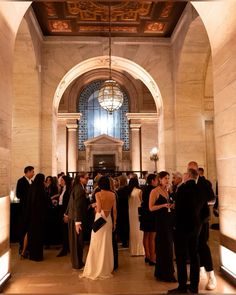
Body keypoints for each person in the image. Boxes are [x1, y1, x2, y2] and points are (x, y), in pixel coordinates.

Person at [168, 169, 205, 294]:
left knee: (181, 256)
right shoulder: (200, 188)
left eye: (184, 173)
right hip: (196, 226)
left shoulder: (183, 188)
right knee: (194, 255)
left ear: (188, 175)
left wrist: (174, 225)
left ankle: (182, 286)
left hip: (182, 227)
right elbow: (203, 210)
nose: (183, 175)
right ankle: (194, 286)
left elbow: (179, 210)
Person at [81, 176, 117, 279]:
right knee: (106, 243)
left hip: (100, 218)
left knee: (96, 242)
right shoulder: (113, 194)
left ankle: (96, 267)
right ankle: (106, 267)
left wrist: (94, 205)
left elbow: (99, 209)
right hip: (108, 219)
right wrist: (115, 222)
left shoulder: (98, 194)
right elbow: (115, 210)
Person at [188, 162, 217, 290]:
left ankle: (211, 275)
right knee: (194, 247)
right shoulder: (188, 183)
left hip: (202, 220)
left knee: (203, 246)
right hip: (192, 221)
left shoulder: (205, 183)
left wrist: (201, 202)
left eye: (192, 170)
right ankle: (199, 270)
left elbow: (212, 199)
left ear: (198, 170)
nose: (190, 172)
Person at [149, 171, 176, 282]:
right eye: (165, 178)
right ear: (159, 179)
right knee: (164, 247)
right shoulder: (154, 191)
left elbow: (169, 204)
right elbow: (151, 207)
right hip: (160, 222)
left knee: (169, 247)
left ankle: (165, 272)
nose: (167, 180)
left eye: (168, 178)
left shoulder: (167, 190)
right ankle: (164, 273)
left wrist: (171, 205)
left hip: (168, 221)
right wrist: (163, 205)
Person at [65, 172, 89, 269]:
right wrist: (78, 222)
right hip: (76, 219)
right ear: (80, 179)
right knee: (76, 243)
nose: (88, 180)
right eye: (86, 178)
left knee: (78, 243)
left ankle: (78, 262)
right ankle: (77, 264)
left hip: (74, 217)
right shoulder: (79, 188)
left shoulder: (78, 187)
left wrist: (66, 213)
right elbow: (77, 206)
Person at [26, 173, 49, 261]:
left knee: (33, 236)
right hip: (38, 217)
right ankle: (38, 256)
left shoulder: (32, 187)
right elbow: (42, 203)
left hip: (32, 216)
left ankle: (33, 255)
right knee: (38, 237)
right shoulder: (40, 189)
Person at [16, 165, 35, 257]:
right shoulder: (21, 181)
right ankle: (21, 248)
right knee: (23, 229)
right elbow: (18, 194)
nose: (33, 173)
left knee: (29, 229)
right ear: (27, 172)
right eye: (32, 171)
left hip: (31, 210)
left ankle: (28, 248)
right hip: (23, 209)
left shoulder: (32, 181)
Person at [140, 173, 158, 265]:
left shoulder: (144, 189)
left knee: (146, 235)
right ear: (152, 181)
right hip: (151, 214)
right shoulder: (154, 190)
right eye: (156, 180)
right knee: (152, 237)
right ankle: (152, 258)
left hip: (144, 214)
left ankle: (147, 255)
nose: (157, 181)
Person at [128, 177, 144, 256]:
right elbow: (142, 202)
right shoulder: (139, 191)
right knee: (139, 230)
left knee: (133, 230)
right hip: (138, 211)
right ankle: (140, 250)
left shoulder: (129, 192)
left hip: (131, 212)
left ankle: (133, 250)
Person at [57, 175, 72, 257]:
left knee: (65, 231)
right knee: (64, 230)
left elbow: (68, 204)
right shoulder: (63, 189)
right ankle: (66, 247)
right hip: (61, 210)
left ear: (66, 181)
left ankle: (65, 249)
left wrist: (66, 214)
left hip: (65, 212)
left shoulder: (68, 190)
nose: (60, 182)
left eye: (62, 180)